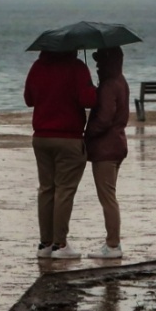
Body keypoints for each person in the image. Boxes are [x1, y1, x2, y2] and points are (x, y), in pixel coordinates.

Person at [24, 50, 97, 259]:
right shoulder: (77, 68)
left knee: (46, 189)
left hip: (41, 137)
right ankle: (60, 244)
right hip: (69, 137)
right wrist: (92, 87)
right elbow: (88, 100)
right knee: (65, 190)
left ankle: (44, 243)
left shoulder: (37, 67)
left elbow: (29, 99)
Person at [83, 46, 129, 259]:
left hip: (106, 148)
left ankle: (113, 244)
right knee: (109, 195)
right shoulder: (121, 81)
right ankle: (112, 243)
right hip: (117, 144)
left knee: (107, 198)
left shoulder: (109, 85)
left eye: (101, 60)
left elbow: (104, 118)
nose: (98, 65)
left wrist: (88, 133)